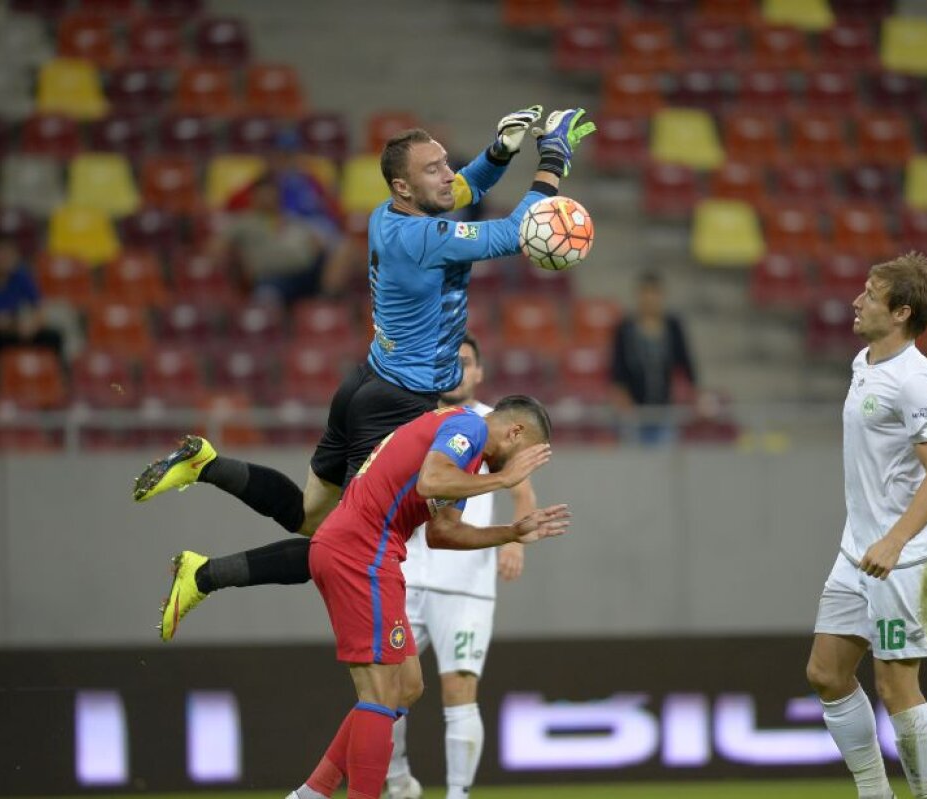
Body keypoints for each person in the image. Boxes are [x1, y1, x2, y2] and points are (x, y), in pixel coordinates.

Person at [136, 106, 596, 642]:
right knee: (340, 547)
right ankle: (204, 575)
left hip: (364, 385)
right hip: (399, 406)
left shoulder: (388, 216)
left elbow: (460, 192)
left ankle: (206, 465)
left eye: (446, 163)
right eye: (433, 169)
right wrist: (552, 159)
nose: (448, 174)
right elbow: (520, 231)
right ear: (403, 185)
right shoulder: (428, 240)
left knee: (308, 517)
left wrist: (499, 153)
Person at [288, 395, 569, 799]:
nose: (521, 468)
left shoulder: (465, 462)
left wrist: (511, 531)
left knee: (406, 686)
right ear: (515, 432)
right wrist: (503, 481)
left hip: (369, 554)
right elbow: (429, 482)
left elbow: (443, 533)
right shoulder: (469, 426)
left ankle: (313, 793)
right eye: (527, 457)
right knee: (381, 693)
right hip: (360, 551)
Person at [803, 252, 927, 799]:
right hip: (859, 549)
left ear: (901, 312)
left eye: (870, 294)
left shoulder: (916, 381)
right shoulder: (866, 362)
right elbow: (903, 469)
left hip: (899, 559)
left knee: (895, 685)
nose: (856, 301)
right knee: (826, 673)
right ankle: (874, 792)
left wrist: (901, 534)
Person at [385, 335, 533, 799]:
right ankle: (397, 781)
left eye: (465, 362)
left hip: (466, 581)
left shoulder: (495, 426)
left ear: (480, 373)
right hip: (406, 575)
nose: (457, 370)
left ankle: (457, 795)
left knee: (459, 691)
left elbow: (521, 489)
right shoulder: (419, 420)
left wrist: (516, 542)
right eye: (449, 363)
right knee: (385, 689)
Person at [206, 175, 330, 305]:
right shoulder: (244, 222)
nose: (268, 198)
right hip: (272, 278)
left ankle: (330, 301)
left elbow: (318, 243)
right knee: (266, 297)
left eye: (271, 193)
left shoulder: (291, 219)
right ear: (254, 197)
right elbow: (216, 247)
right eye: (263, 194)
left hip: (307, 275)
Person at [609, 270, 697, 444]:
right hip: (635, 411)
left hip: (665, 409)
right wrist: (623, 401)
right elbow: (617, 371)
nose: (650, 299)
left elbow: (687, 366)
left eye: (654, 293)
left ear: (662, 296)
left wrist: (692, 395)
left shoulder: (673, 327)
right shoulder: (625, 329)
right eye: (645, 293)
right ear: (638, 296)